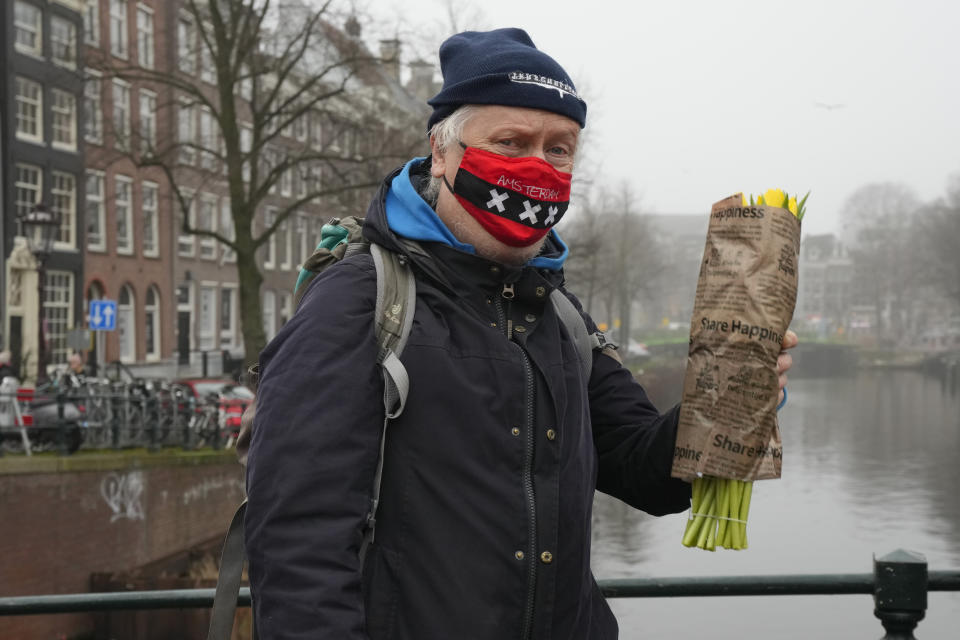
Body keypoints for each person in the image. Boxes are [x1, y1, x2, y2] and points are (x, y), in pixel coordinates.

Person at [245, 28, 797, 640]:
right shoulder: (359, 301)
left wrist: (728, 401)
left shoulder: (560, 313)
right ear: (442, 152)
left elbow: (646, 474)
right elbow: (298, 545)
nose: (538, 166)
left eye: (560, 149)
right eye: (510, 142)